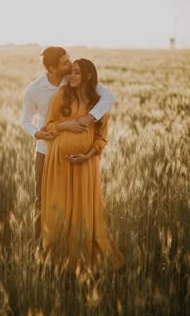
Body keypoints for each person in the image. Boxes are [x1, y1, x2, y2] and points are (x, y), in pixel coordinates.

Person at [21, 47, 115, 239]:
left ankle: (70, 243)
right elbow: (25, 120)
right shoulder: (34, 90)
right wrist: (38, 133)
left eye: (70, 60)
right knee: (42, 199)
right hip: (45, 150)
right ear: (51, 68)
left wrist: (89, 118)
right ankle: (41, 245)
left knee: (73, 201)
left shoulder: (73, 78)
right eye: (65, 63)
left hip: (76, 158)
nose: (70, 65)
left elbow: (108, 97)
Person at [41, 58, 124, 273]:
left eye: (76, 72)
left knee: (84, 211)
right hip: (58, 163)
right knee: (59, 208)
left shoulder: (98, 103)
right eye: (70, 72)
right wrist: (65, 125)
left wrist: (88, 154)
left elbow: (101, 136)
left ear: (88, 75)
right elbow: (48, 126)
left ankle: (85, 262)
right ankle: (57, 261)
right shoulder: (61, 96)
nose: (71, 76)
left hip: (86, 165)